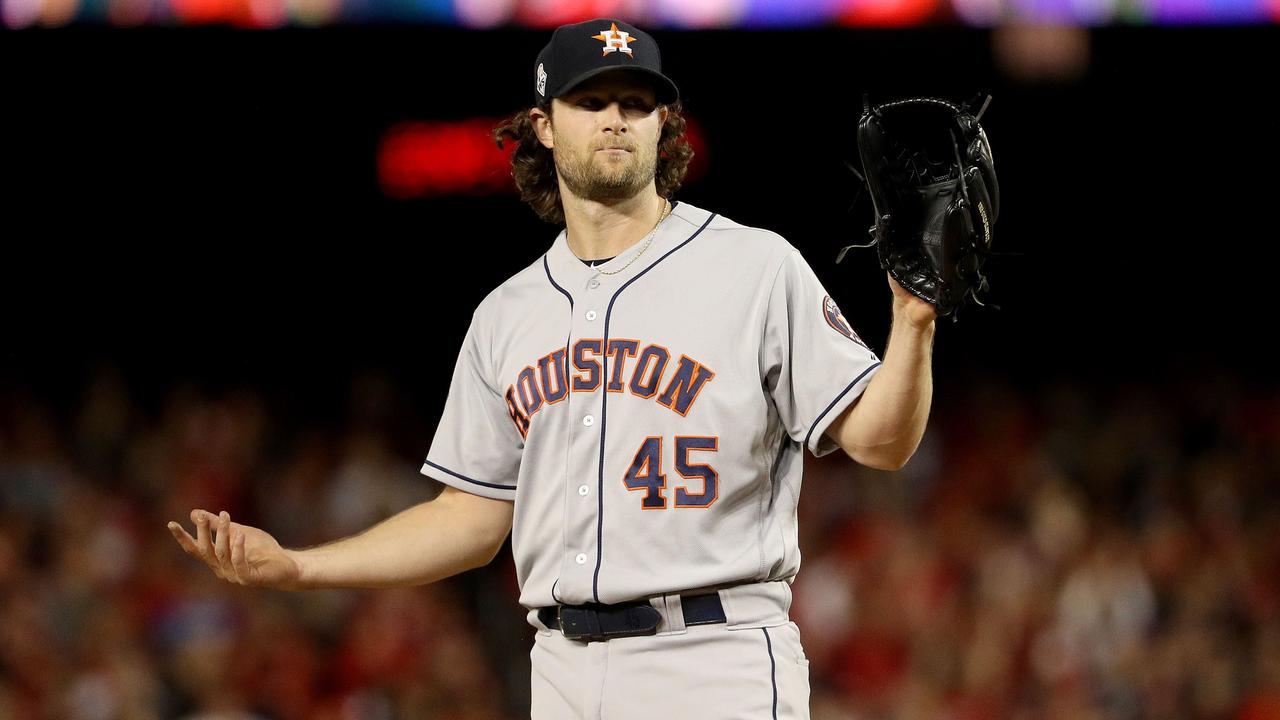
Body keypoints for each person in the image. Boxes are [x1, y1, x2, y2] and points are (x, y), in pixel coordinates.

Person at [168, 17, 937, 719]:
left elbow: (880, 441)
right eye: (590, 100)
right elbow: (468, 519)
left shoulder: (755, 267)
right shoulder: (508, 315)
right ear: (542, 126)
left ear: (664, 122)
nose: (615, 118)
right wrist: (297, 568)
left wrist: (912, 322)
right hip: (562, 669)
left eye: (637, 103)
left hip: (716, 658)